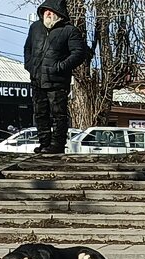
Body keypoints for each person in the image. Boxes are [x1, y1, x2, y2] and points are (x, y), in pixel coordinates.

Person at [23, 0, 88, 155]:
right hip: (37, 79)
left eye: (51, 11)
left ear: (59, 13)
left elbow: (79, 53)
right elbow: (27, 49)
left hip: (58, 81)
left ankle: (57, 145)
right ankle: (44, 143)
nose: (48, 13)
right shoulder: (35, 28)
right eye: (45, 10)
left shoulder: (69, 31)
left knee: (58, 114)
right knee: (40, 113)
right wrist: (30, 66)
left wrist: (60, 67)